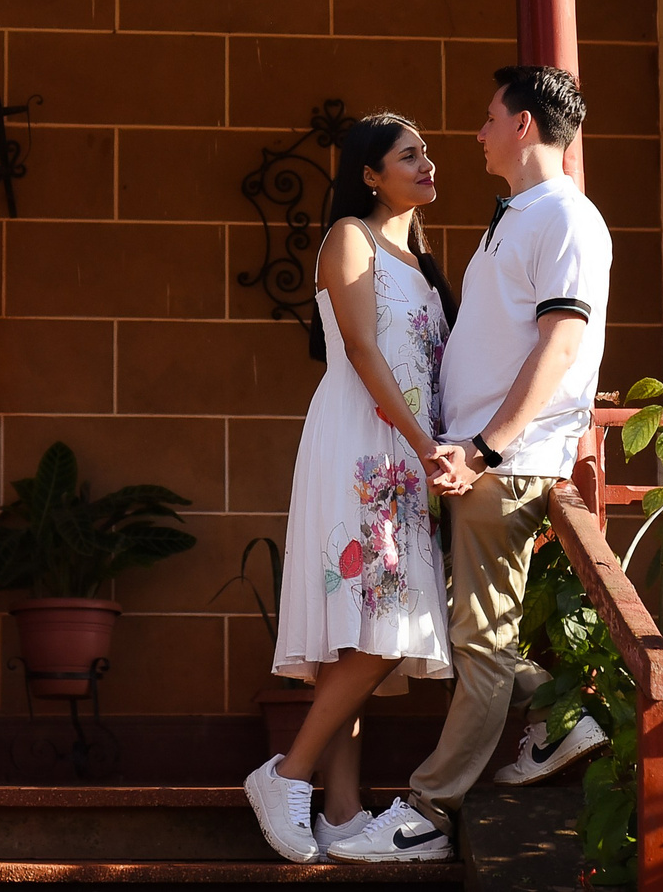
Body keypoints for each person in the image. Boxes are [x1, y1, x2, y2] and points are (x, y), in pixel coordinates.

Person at [325, 65, 614, 865]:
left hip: (501, 459)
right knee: (469, 629)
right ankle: (560, 717)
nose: (477, 134)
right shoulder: (520, 216)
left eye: (490, 118)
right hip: (474, 460)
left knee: (479, 641)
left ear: (524, 125)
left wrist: (486, 448)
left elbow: (562, 342)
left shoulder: (563, 216)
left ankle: (428, 805)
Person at [242, 113, 459, 865]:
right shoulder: (350, 239)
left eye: (427, 152)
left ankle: (338, 813)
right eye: (410, 155)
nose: (428, 163)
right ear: (370, 173)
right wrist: (427, 446)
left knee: (367, 632)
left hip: (407, 452)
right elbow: (365, 353)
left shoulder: (421, 257)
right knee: (385, 625)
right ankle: (287, 773)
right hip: (366, 444)